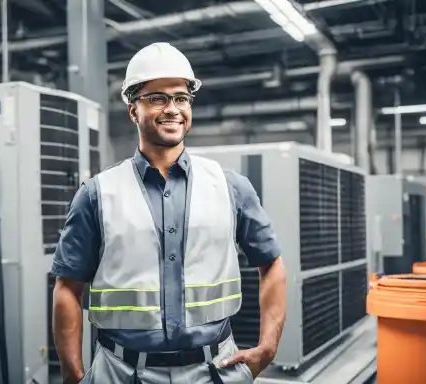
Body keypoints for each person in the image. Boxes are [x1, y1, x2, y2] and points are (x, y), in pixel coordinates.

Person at [51, 42, 287, 384]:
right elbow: (67, 288)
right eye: (157, 98)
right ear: (133, 110)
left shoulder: (231, 187)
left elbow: (272, 264)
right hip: (119, 372)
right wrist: (73, 376)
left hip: (214, 370)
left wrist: (267, 347)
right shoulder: (97, 194)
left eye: (180, 97)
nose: (172, 108)